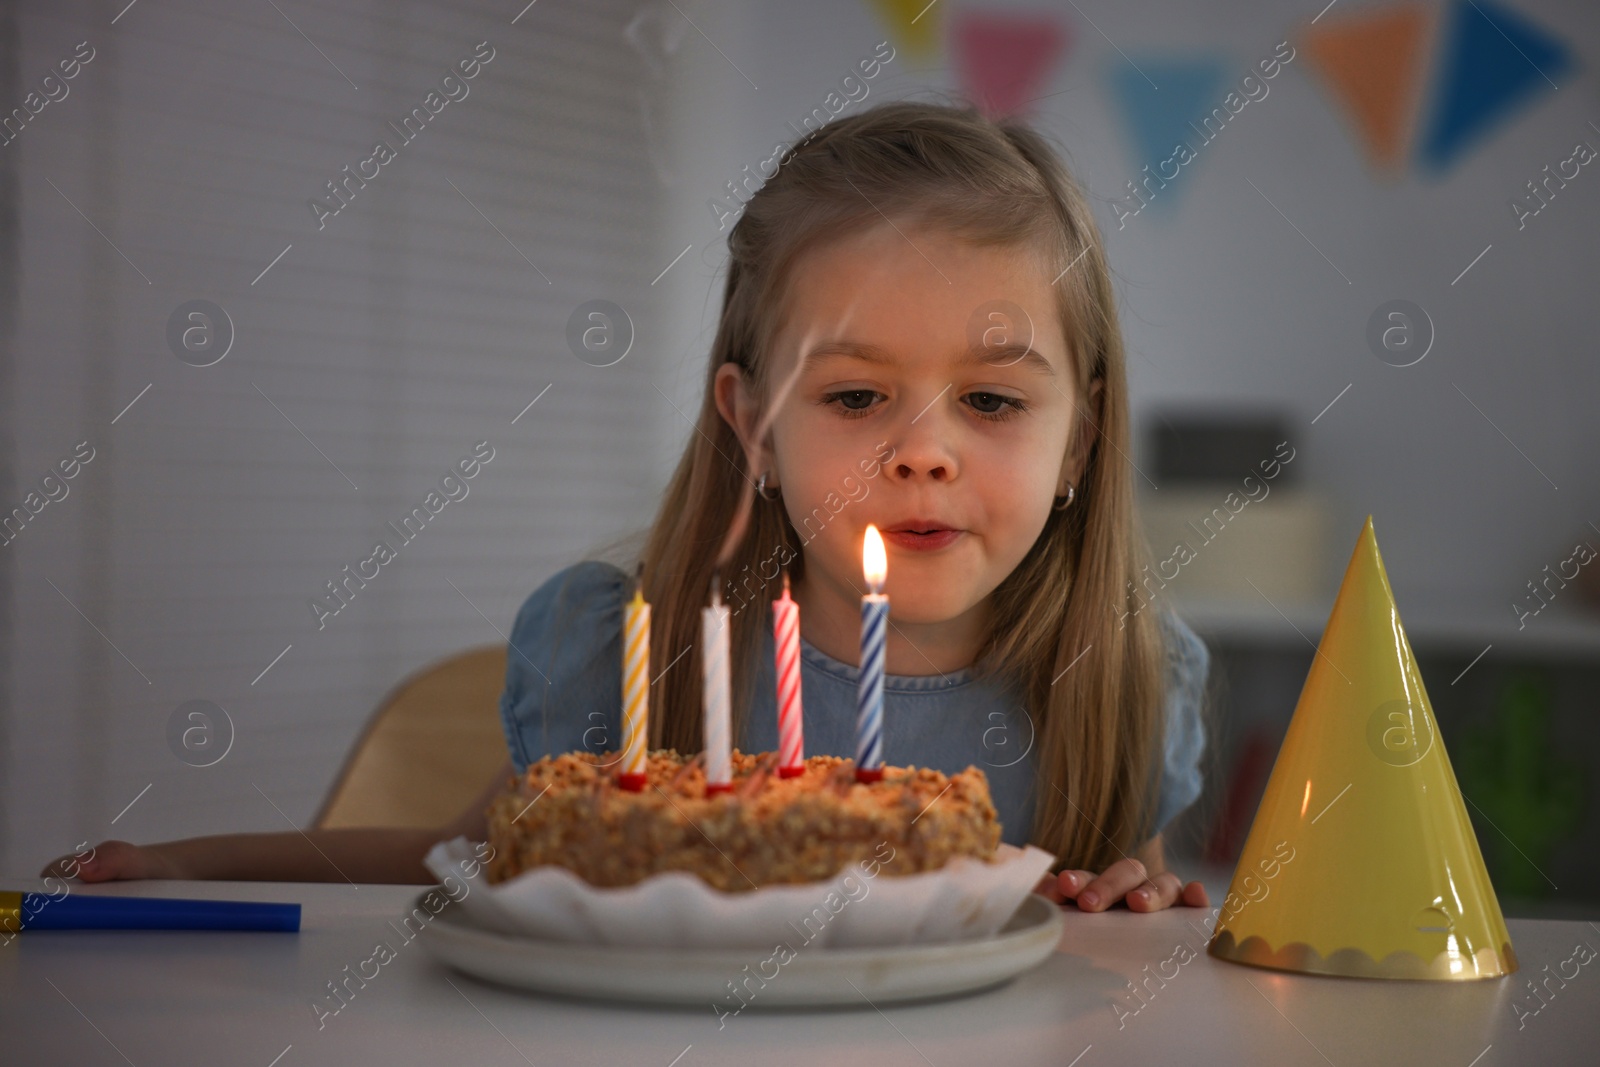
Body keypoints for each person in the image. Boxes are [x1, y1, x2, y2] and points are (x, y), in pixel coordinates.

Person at [45, 101, 1210, 913]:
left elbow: (1125, 910)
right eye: (856, 394)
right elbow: (460, 863)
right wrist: (190, 867)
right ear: (751, 422)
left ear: (1083, 439)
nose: (922, 453)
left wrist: (1138, 891)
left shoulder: (1119, 682)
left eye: (993, 400)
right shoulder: (629, 659)